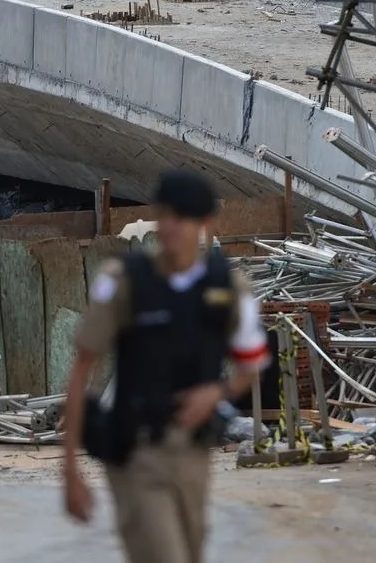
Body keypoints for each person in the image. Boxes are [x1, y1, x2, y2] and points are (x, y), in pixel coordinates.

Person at [62, 170, 269, 563]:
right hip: (137, 453)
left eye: (184, 218)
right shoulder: (126, 282)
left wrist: (217, 393)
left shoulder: (227, 287)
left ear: (206, 223)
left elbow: (252, 365)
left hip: (193, 454)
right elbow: (81, 370)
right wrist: (70, 470)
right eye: (166, 215)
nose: (172, 227)